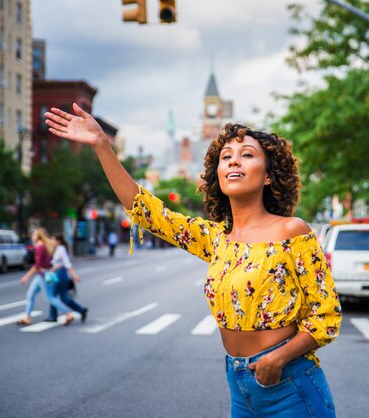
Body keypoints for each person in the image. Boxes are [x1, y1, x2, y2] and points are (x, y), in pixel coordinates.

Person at [45, 104, 342, 417]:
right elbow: (148, 213)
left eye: (247, 155)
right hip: (240, 385)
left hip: (289, 385)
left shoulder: (291, 231)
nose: (234, 161)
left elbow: (326, 314)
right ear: (218, 173)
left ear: (268, 176)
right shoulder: (216, 240)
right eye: (226, 157)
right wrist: (102, 146)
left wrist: (278, 358)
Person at [16, 228, 76, 326]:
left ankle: (68, 313)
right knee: (30, 295)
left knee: (50, 298)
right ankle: (27, 317)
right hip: (42, 275)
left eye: (34, 234)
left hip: (43, 276)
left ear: (38, 236)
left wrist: (26, 276)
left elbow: (37, 265)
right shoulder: (43, 246)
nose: (32, 236)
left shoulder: (40, 248)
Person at [45, 235, 89, 323]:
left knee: (52, 296)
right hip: (61, 274)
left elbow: (67, 264)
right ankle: (81, 310)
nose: (52, 241)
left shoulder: (61, 250)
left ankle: (53, 315)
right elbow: (61, 263)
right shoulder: (59, 249)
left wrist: (74, 276)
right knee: (64, 298)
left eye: (53, 239)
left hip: (60, 275)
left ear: (58, 241)